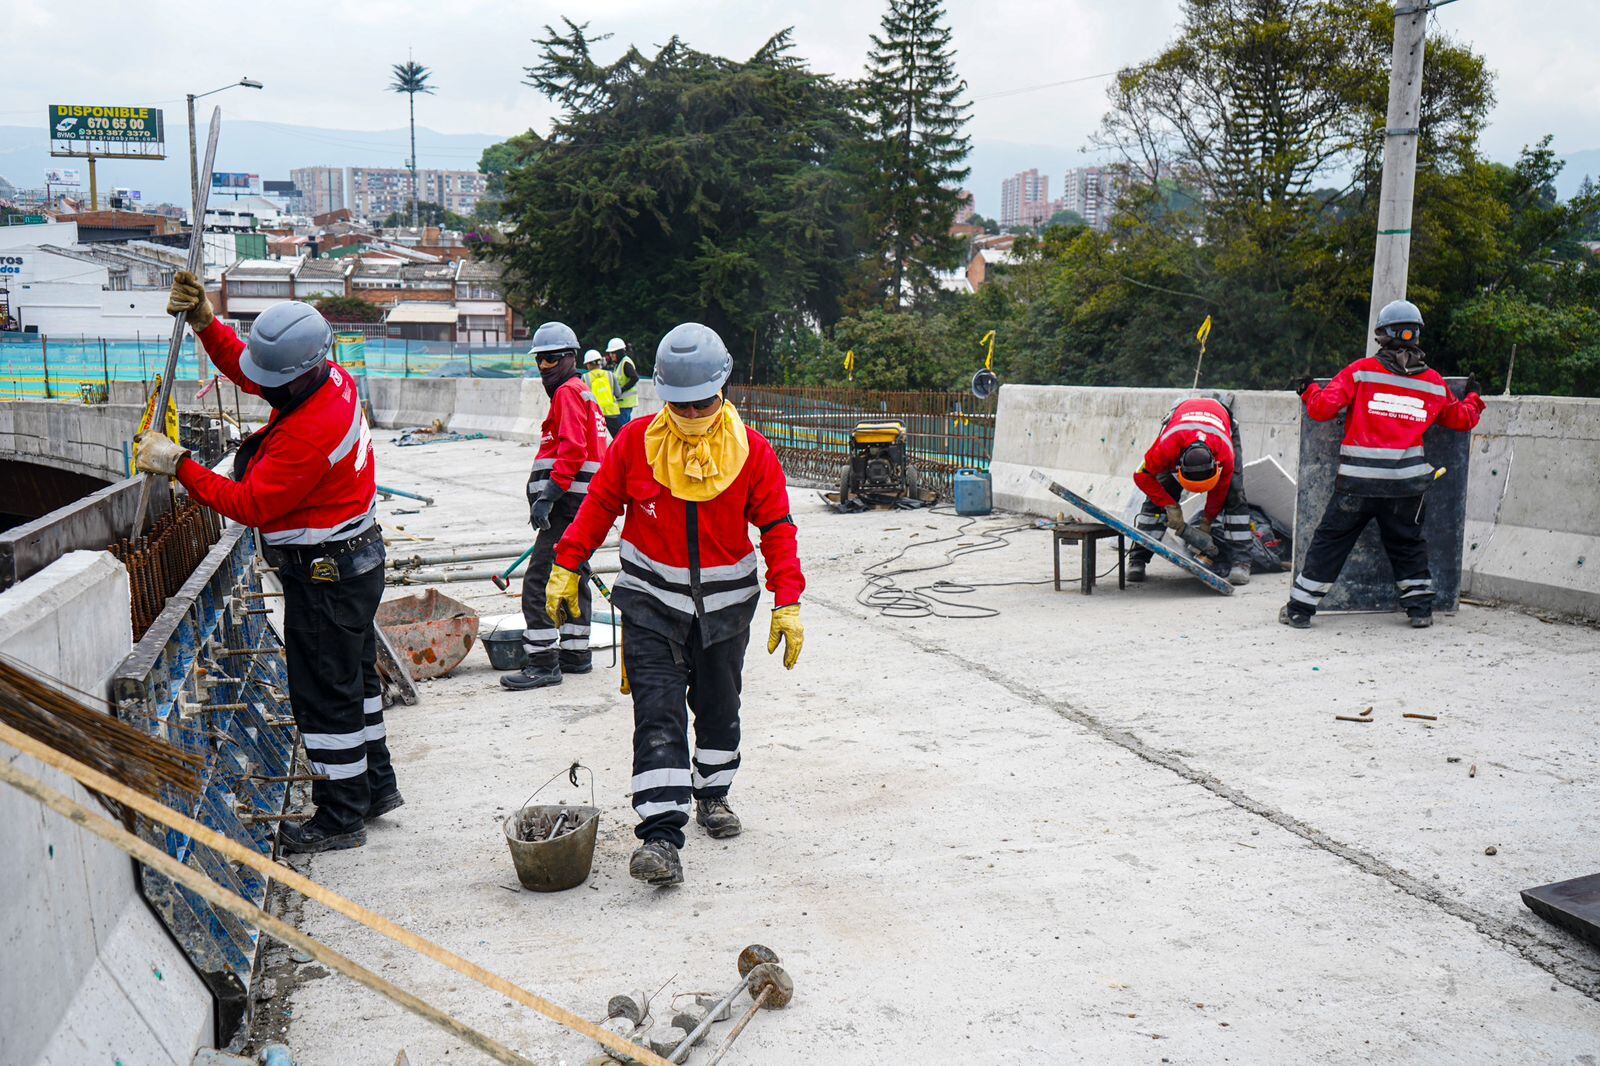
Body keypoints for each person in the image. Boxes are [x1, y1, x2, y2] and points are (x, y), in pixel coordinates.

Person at [136, 271, 398, 853]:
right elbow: (258, 374)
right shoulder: (325, 377)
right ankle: (374, 787)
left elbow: (248, 503)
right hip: (354, 562)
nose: (260, 385)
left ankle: (341, 816)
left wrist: (178, 463)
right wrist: (208, 325)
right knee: (353, 684)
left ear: (295, 375)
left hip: (328, 575)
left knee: (322, 697)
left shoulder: (308, 432)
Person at [547, 322, 805, 887]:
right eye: (680, 405)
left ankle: (713, 794)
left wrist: (789, 599)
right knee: (658, 713)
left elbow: (778, 528)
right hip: (649, 605)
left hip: (726, 610)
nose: (691, 416)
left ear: (723, 391)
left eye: (703, 404)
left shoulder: (752, 452)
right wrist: (566, 565)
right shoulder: (634, 445)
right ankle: (661, 836)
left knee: (718, 707)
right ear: (663, 397)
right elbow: (597, 508)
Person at [1281, 299, 1484, 629]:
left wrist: (1308, 390)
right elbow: (1462, 420)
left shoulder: (1360, 372)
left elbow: (1322, 410)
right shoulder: (1432, 382)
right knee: (1407, 546)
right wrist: (1474, 396)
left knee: (1330, 544)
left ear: (1382, 335)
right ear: (1415, 336)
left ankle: (1300, 610)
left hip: (1357, 484)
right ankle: (1420, 611)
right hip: (1405, 488)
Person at [500, 322, 610, 690]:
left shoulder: (567, 393)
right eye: (539, 360)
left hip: (565, 505)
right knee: (573, 573)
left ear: (570, 358)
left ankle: (543, 662)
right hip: (581, 504)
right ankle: (577, 654)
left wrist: (548, 496)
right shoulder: (583, 393)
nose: (544, 366)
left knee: (539, 581)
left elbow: (573, 450)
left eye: (551, 358)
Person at [1129, 394, 1253, 586]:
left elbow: (1220, 490)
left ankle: (1241, 562)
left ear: (1216, 467)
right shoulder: (1166, 447)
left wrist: (1207, 521)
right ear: (1177, 467)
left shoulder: (1225, 453)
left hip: (1221, 423)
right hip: (1179, 424)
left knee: (1234, 493)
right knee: (1162, 489)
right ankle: (1138, 557)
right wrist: (1169, 504)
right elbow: (1141, 475)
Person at [584, 348, 624, 437]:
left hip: (594, 414)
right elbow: (618, 393)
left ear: (589, 364)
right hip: (611, 412)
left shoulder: (585, 377)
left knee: (595, 440)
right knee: (619, 437)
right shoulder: (610, 375)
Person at [605, 337, 641, 430]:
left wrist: (622, 389)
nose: (611, 355)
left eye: (613, 353)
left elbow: (635, 378)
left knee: (621, 431)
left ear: (619, 352)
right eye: (610, 353)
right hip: (622, 404)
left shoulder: (625, 363)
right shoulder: (619, 364)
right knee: (624, 430)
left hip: (625, 404)